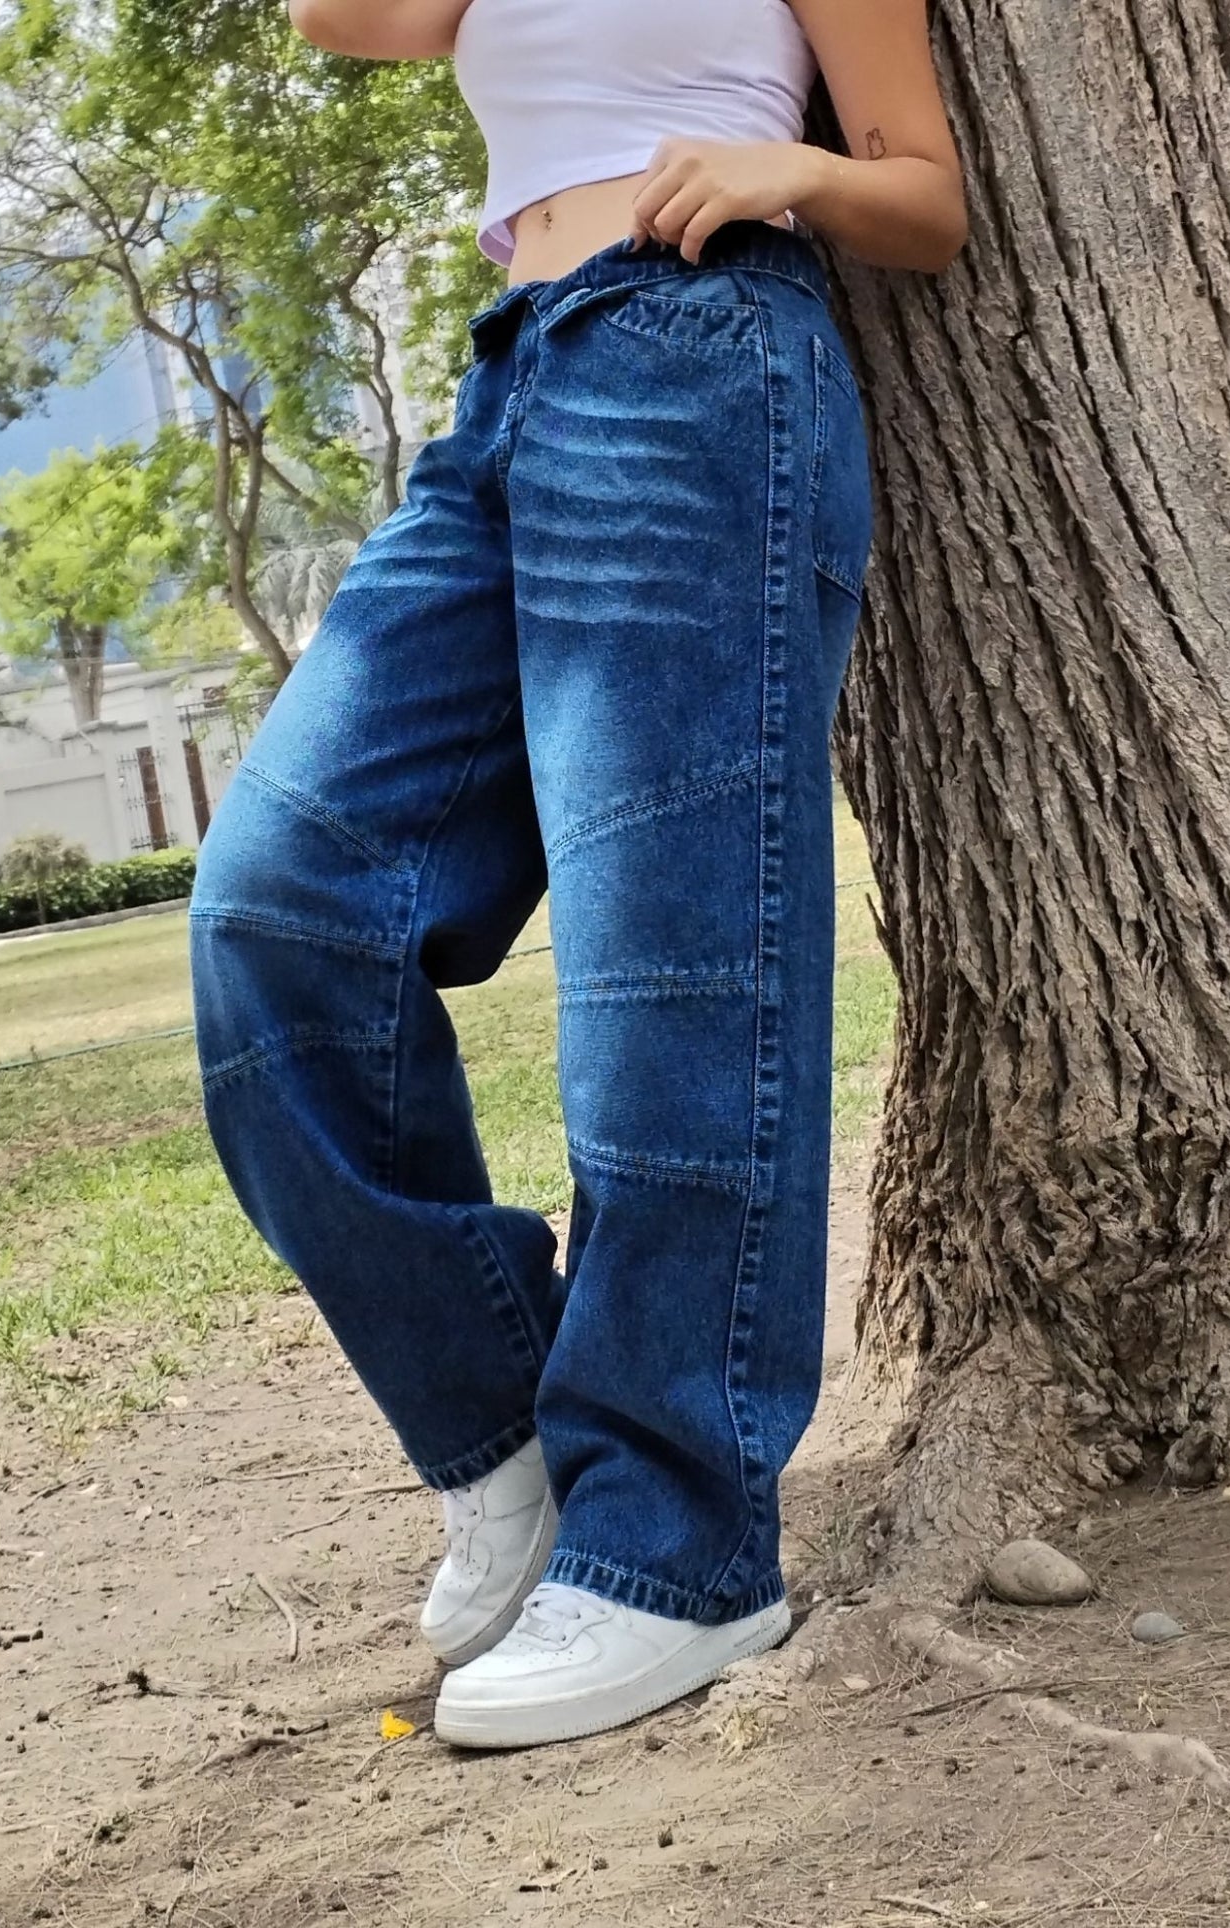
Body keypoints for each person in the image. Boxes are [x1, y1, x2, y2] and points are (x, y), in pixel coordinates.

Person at [190, 0, 965, 1750]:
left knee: (669, 976)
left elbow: (927, 195)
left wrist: (796, 169)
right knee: (276, 915)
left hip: (698, 357)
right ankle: (507, 1443)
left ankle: (682, 1552)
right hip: (509, 385)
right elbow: (345, 17)